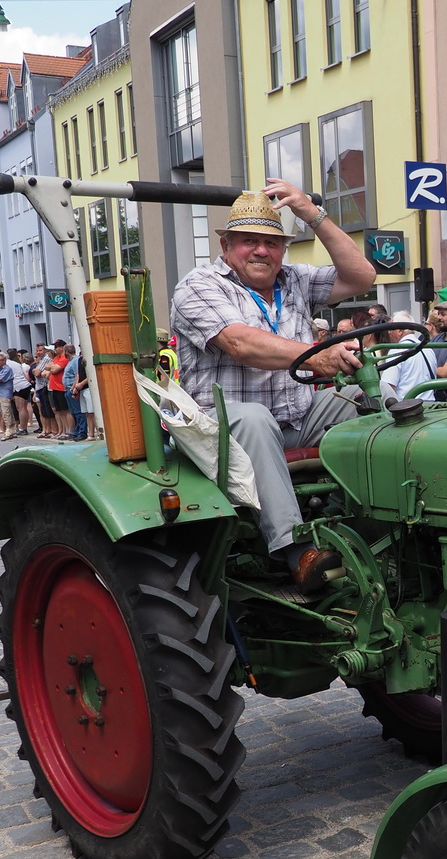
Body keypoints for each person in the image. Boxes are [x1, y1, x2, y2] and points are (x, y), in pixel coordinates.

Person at [170, 182, 374, 587]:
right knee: (255, 418)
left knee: (364, 400)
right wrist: (315, 356)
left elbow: (362, 277)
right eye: (250, 241)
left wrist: (312, 214)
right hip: (222, 427)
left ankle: (376, 521)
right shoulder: (200, 284)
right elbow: (240, 343)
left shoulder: (294, 280)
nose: (262, 251)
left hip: (297, 415)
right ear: (226, 245)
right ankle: (296, 549)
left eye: (272, 243)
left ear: (282, 249)